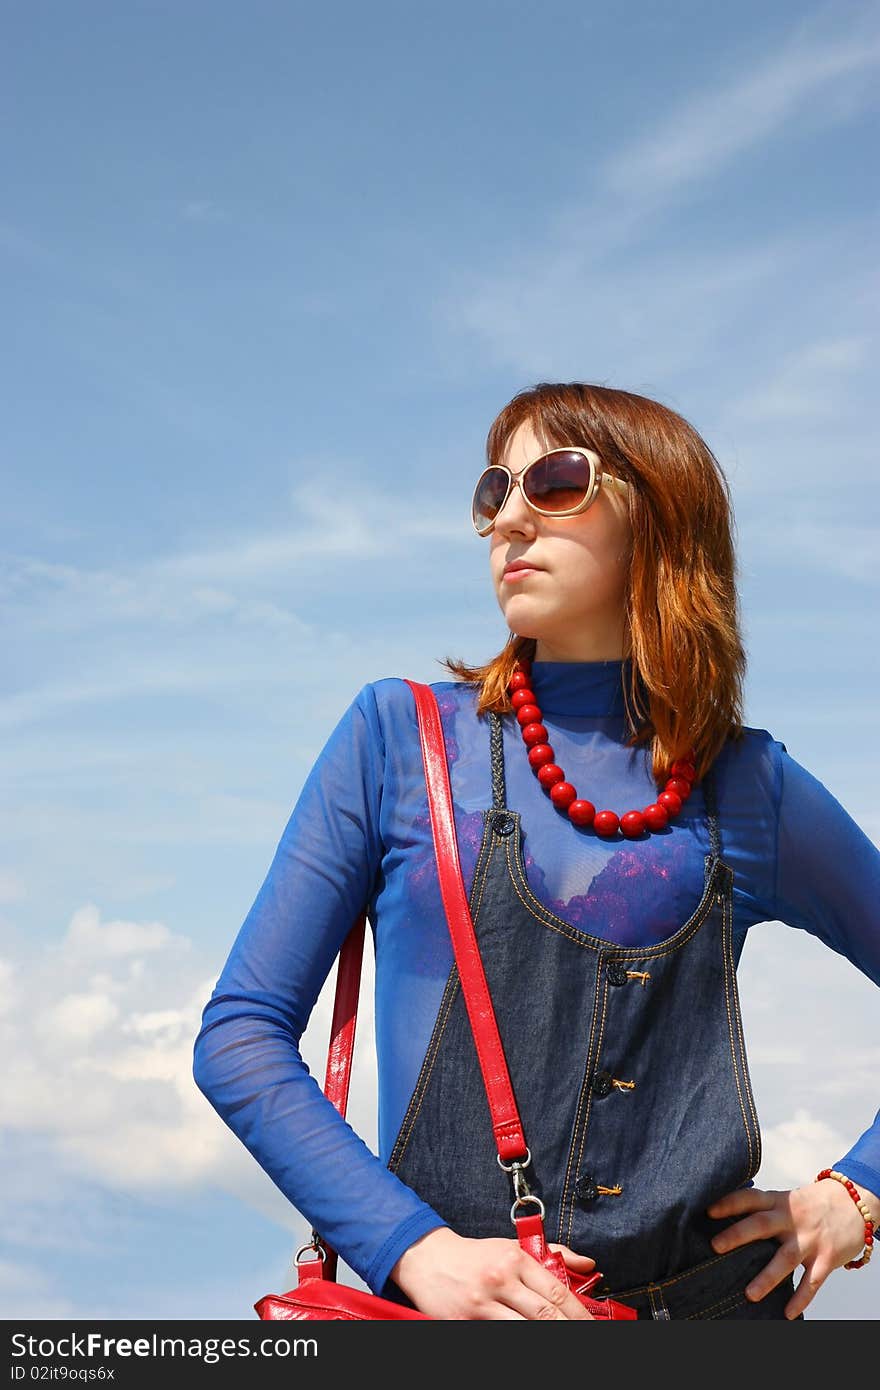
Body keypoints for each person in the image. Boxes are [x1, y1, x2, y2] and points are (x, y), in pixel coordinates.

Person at [192, 382, 879, 1320]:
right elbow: (240, 1036)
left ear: (659, 515)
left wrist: (857, 1191)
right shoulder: (399, 738)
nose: (506, 519)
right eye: (494, 491)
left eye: (556, 482)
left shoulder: (747, 784)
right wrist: (412, 1249)